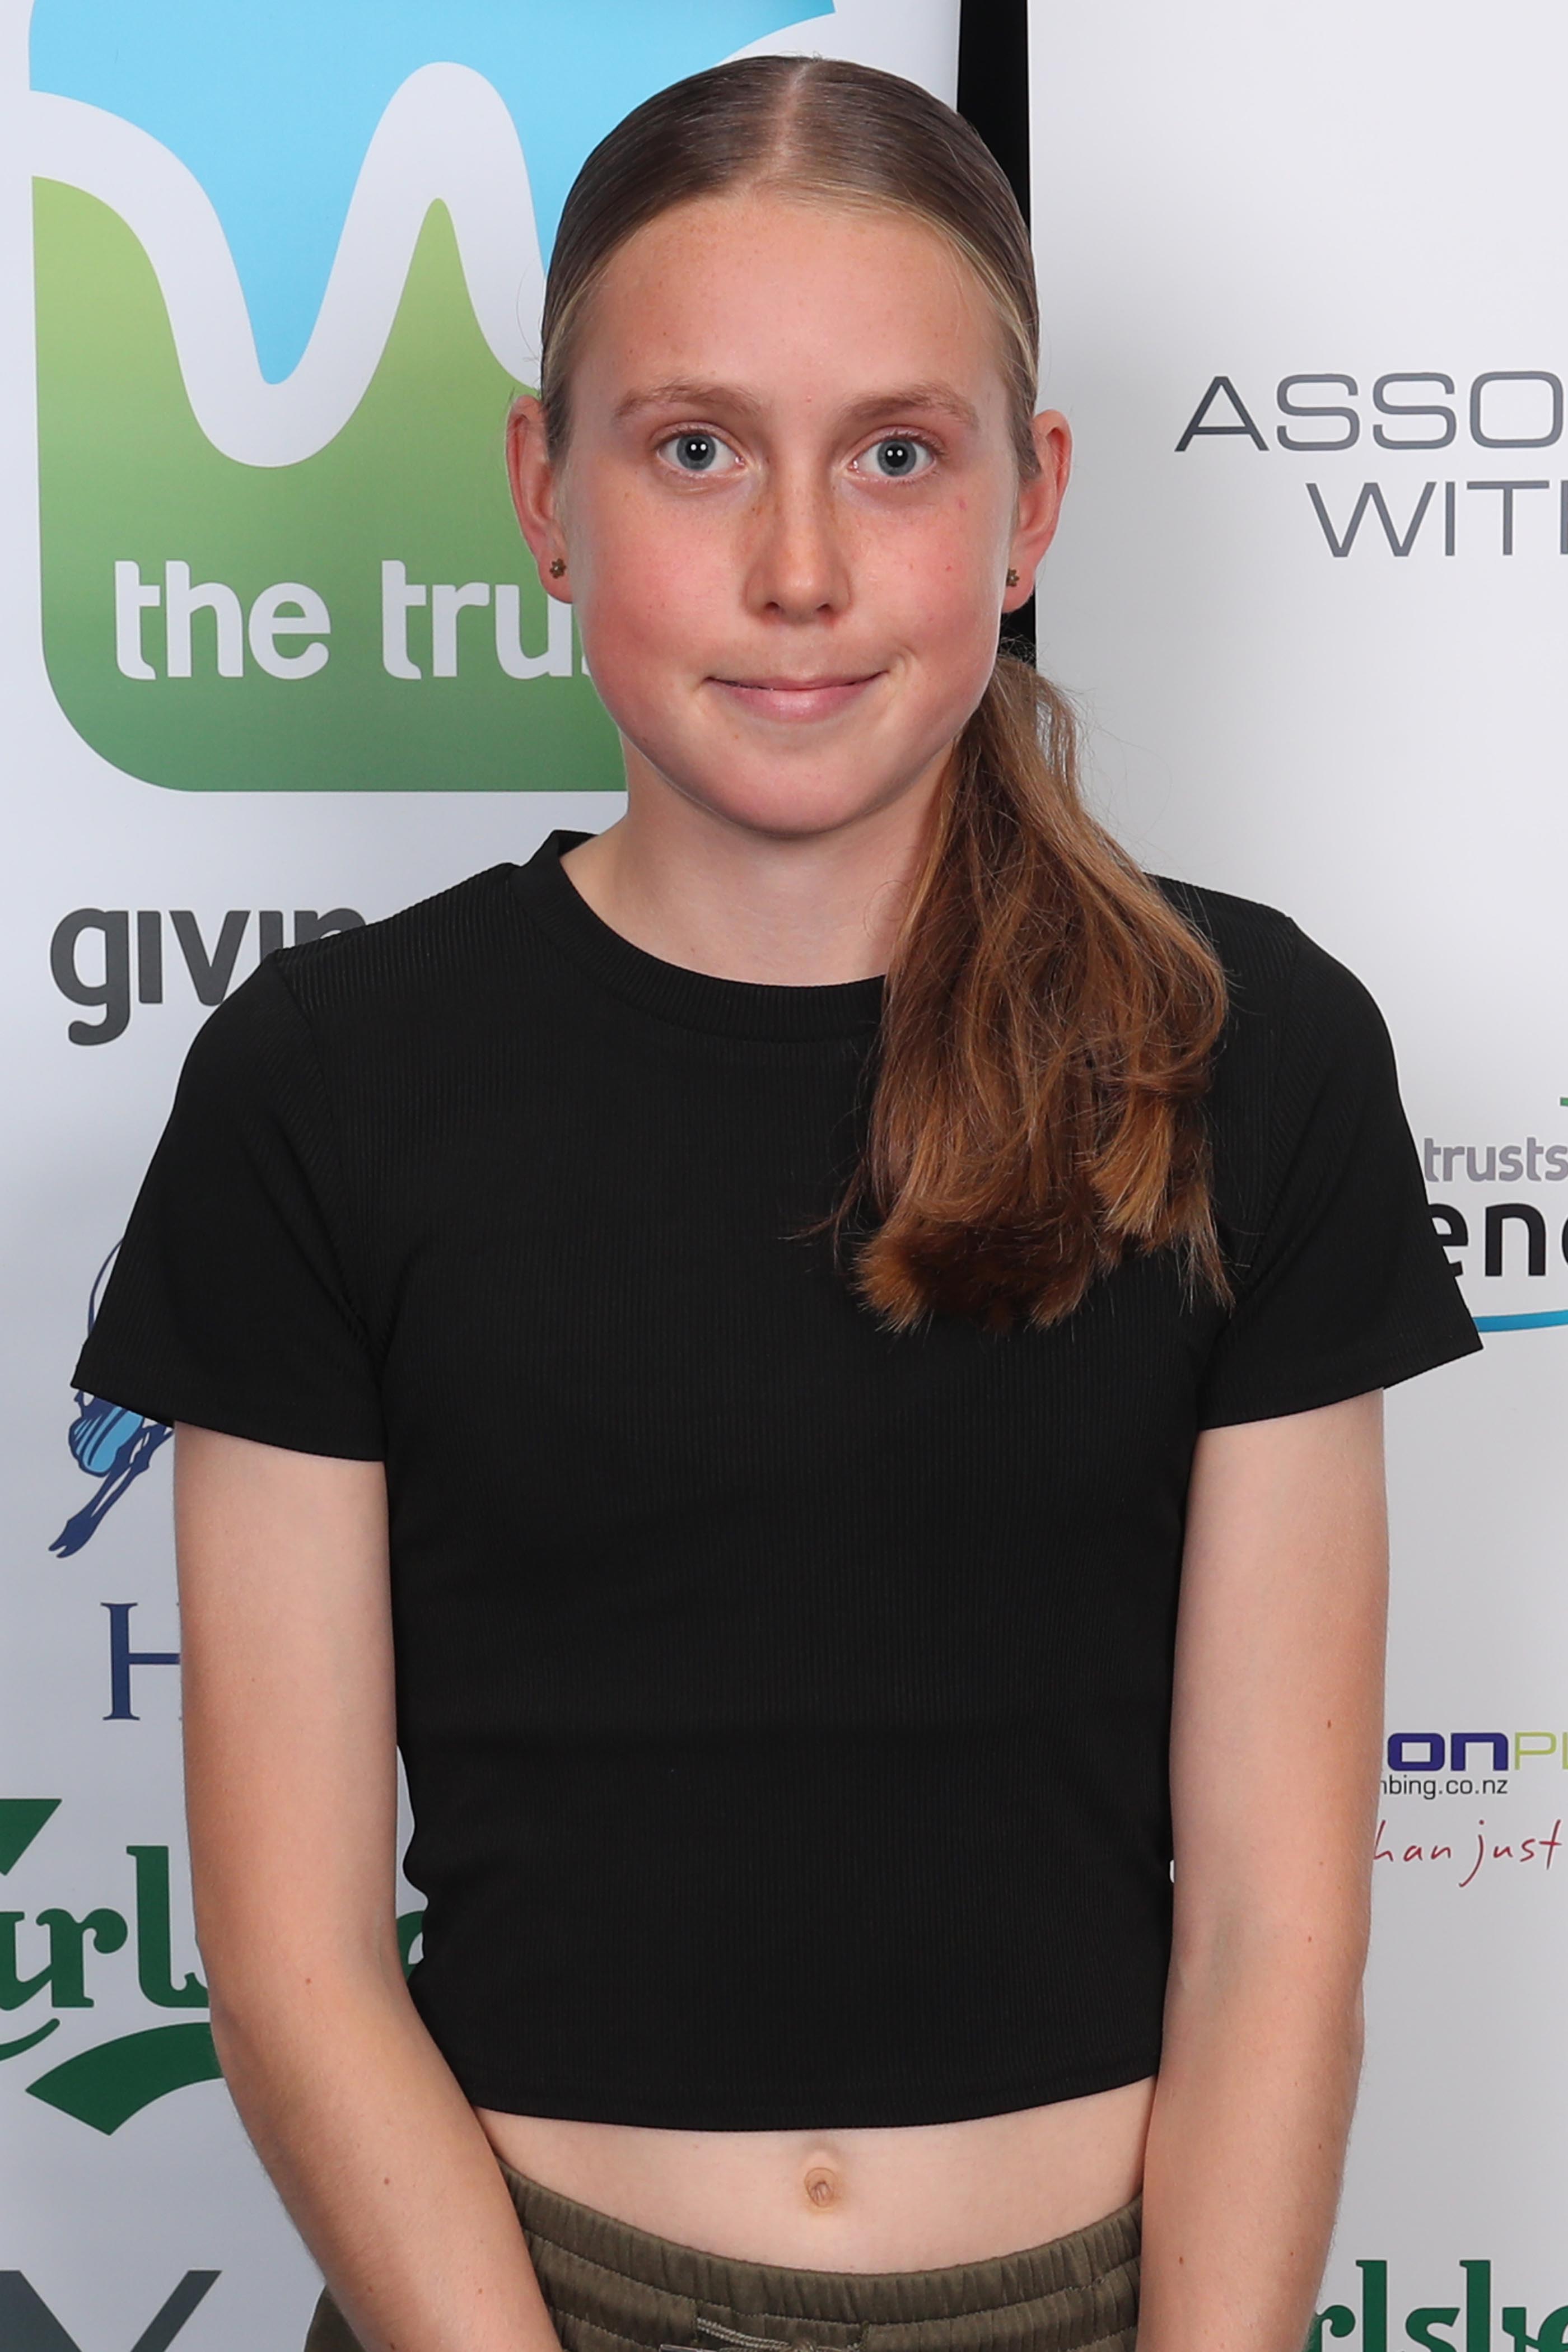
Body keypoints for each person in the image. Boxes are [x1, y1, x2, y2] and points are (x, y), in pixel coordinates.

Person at [72, 52, 1482, 2352]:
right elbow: (293, 1959)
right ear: (546, 495)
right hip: (510, 2304)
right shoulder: (322, 1090)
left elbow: (1272, 1934)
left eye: (897, 455)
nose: (801, 569)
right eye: (696, 448)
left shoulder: (1250, 1056)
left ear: (1029, 507)